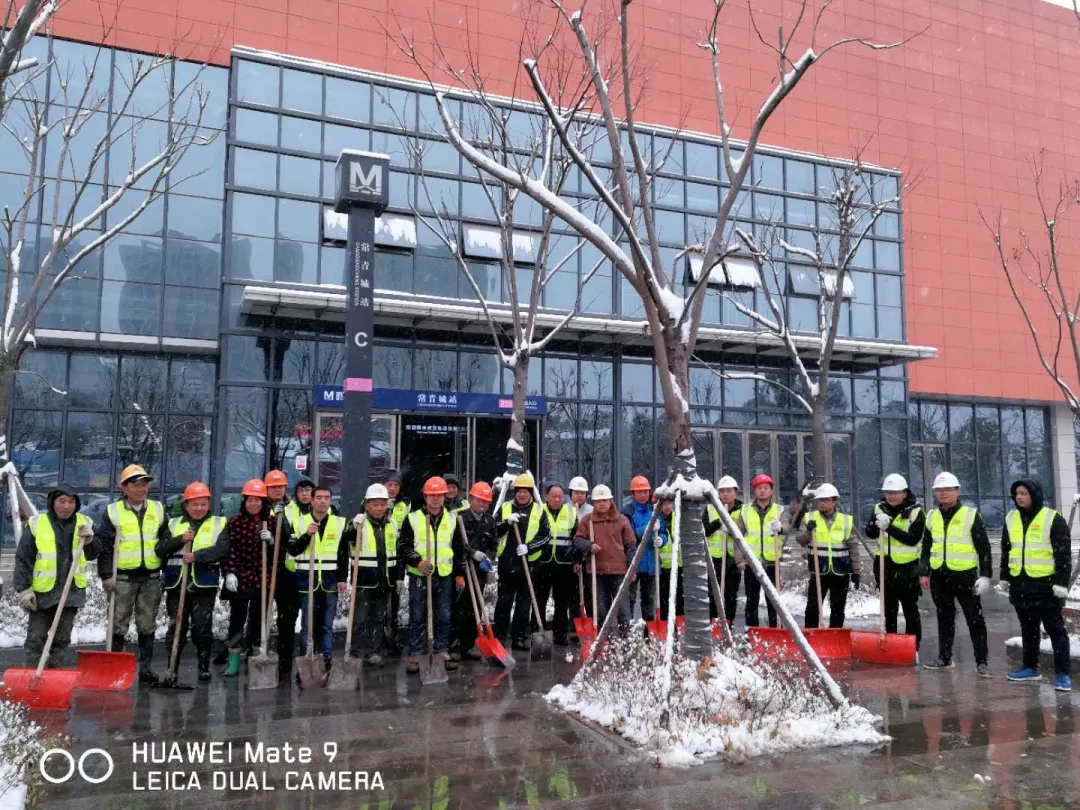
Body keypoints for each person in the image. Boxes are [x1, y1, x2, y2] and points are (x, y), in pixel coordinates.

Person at [95, 464, 168, 684]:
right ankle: (115, 667)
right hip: (123, 579)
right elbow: (105, 546)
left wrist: (167, 570)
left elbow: (165, 542)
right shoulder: (113, 512)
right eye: (135, 485)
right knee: (118, 623)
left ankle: (145, 669)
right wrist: (106, 575)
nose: (141, 489)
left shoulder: (158, 509)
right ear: (124, 488)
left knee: (147, 623)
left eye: (144, 484)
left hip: (150, 577)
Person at [14, 484, 100, 669]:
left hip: (71, 593)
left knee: (61, 639)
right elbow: (23, 559)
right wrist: (24, 590)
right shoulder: (37, 523)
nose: (67, 506)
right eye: (62, 501)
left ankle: (54, 676)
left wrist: (91, 541)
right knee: (36, 638)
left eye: (71, 501)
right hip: (42, 594)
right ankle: (32, 675)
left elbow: (93, 554)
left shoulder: (85, 523)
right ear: (52, 502)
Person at [919, 471, 993, 677]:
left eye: (948, 489)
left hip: (965, 575)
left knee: (974, 618)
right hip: (939, 576)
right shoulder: (931, 516)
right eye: (939, 490)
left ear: (957, 491)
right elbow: (926, 546)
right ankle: (944, 658)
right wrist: (924, 571)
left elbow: (984, 547)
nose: (943, 493)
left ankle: (982, 662)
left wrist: (985, 575)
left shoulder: (971, 515)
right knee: (944, 618)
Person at [1001, 479, 1072, 691]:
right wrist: (1004, 576)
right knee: (1028, 628)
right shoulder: (1011, 518)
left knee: (1055, 629)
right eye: (1017, 494)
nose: (1019, 497)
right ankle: (1030, 668)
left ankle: (1062, 674)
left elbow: (1063, 554)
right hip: (1021, 583)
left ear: (1034, 494)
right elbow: (1007, 550)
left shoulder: (1052, 518)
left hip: (1046, 585)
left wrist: (1061, 582)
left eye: (1024, 493)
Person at [155, 482, 227, 682]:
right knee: (176, 627)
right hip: (177, 583)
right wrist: (180, 539)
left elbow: (222, 549)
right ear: (186, 505)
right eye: (194, 504)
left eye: (203, 504)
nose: (199, 508)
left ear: (208, 504)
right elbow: (160, 549)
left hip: (204, 583)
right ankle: (172, 669)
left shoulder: (219, 523)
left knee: (202, 627)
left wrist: (197, 556)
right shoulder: (173, 524)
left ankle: (203, 667)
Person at [398, 477, 465, 674]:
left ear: (444, 496)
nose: (436, 499)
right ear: (425, 496)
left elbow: (458, 550)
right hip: (419, 574)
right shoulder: (413, 518)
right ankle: (415, 653)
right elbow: (403, 546)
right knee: (418, 614)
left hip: (444, 574)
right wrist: (417, 561)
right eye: (432, 495)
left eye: (439, 495)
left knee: (443, 615)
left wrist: (459, 574)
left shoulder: (452, 519)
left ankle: (441, 651)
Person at [290, 484, 352, 678]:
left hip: (330, 580)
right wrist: (306, 535)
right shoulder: (299, 522)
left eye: (326, 498)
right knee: (307, 626)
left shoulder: (339, 523)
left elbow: (343, 553)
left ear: (330, 501)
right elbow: (293, 550)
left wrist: (343, 578)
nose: (323, 501)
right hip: (306, 580)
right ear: (312, 500)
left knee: (326, 625)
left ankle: (326, 662)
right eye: (319, 497)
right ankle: (306, 662)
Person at [219, 479, 274, 678]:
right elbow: (229, 550)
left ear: (263, 502)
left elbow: (279, 553)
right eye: (250, 500)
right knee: (237, 619)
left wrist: (272, 541)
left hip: (262, 578)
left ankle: (255, 653)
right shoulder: (235, 522)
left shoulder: (271, 522)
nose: (253, 504)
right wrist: (230, 572)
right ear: (244, 501)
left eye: (257, 500)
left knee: (258, 620)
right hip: (241, 578)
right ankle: (233, 660)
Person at [865, 474, 925, 651]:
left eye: (895, 493)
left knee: (910, 609)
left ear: (904, 493)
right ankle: (891, 645)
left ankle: (912, 647)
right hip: (884, 566)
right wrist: (876, 525)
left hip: (908, 568)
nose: (891, 496)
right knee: (889, 609)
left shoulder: (915, 511)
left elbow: (912, 539)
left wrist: (889, 527)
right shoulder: (879, 508)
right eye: (888, 492)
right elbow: (870, 533)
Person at [494, 472, 551, 652]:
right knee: (503, 603)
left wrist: (529, 547)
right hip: (507, 564)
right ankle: (500, 637)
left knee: (524, 604)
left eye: (525, 491)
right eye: (519, 491)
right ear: (515, 492)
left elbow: (546, 535)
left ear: (530, 493)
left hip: (529, 565)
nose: (522, 494)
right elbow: (492, 530)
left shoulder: (539, 510)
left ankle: (519, 637)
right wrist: (506, 523)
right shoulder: (505, 508)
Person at [795, 483, 860, 628]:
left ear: (835, 501)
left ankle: (834, 636)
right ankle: (810, 636)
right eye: (820, 500)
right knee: (813, 607)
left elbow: (853, 547)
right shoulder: (809, 518)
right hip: (819, 571)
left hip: (841, 571)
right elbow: (800, 540)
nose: (822, 503)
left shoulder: (845, 520)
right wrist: (808, 531)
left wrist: (856, 571)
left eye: (826, 500)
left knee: (838, 609)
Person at [347, 484, 398, 668]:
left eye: (382, 504)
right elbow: (348, 538)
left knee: (378, 618)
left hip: (385, 580)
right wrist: (353, 527)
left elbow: (396, 551)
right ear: (366, 505)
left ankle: (373, 652)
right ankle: (354, 652)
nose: (378, 508)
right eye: (374, 504)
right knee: (360, 619)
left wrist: (398, 577)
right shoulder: (359, 523)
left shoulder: (392, 524)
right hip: (364, 581)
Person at [573, 485, 635, 630]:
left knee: (622, 610)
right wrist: (589, 546)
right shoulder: (587, 521)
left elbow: (631, 545)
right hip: (597, 572)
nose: (602, 503)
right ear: (594, 503)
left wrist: (632, 569)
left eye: (605, 500)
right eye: (598, 501)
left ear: (610, 501)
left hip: (619, 572)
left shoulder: (622, 520)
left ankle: (624, 637)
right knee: (600, 610)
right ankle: (603, 638)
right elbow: (578, 540)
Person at [736, 473, 790, 628]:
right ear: (754, 490)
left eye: (766, 488)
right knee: (752, 600)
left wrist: (780, 528)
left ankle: (775, 629)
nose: (763, 491)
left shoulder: (779, 510)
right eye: (759, 488)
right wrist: (740, 559)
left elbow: (787, 527)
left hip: (772, 561)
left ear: (771, 490)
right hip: (752, 562)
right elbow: (737, 536)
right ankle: (752, 630)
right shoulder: (745, 510)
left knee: (773, 599)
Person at [263, 472, 302, 683]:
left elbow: (292, 539)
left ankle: (284, 660)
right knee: (261, 615)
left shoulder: (293, 508)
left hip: (286, 569)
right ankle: (259, 652)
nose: (277, 490)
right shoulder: (260, 506)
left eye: (281, 487)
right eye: (273, 487)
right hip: (265, 568)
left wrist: (283, 522)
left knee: (287, 618)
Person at [455, 482, 499, 660]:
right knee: (460, 608)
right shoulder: (460, 518)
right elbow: (456, 545)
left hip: (479, 571)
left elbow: (494, 544)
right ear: (471, 498)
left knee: (475, 609)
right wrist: (472, 553)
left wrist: (488, 557)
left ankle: (469, 644)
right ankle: (455, 645)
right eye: (479, 500)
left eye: (485, 501)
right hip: (462, 569)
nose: (482, 504)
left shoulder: (490, 521)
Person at [535, 484, 579, 647]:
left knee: (562, 602)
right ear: (546, 497)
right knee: (539, 600)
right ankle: (537, 633)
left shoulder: (571, 512)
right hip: (543, 563)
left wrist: (577, 560)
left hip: (564, 564)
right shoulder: (539, 511)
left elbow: (577, 538)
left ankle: (560, 635)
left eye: (560, 496)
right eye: (554, 496)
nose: (557, 499)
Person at [702, 476, 744, 625]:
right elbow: (703, 531)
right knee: (713, 594)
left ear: (735, 492)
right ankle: (714, 624)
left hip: (733, 560)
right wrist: (718, 522)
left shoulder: (743, 510)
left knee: (730, 595)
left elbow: (745, 533)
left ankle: (728, 624)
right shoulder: (710, 509)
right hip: (715, 560)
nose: (725, 494)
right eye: (722, 491)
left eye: (729, 491)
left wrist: (732, 529)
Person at [383, 469, 409, 656]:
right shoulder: (371, 501)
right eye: (389, 484)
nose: (392, 488)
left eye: (396, 485)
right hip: (379, 557)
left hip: (397, 557)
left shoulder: (405, 504)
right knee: (378, 604)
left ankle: (393, 638)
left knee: (394, 602)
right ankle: (377, 640)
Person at [622, 475, 654, 620]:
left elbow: (661, 530)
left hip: (650, 563)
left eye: (646, 491)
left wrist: (662, 539)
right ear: (633, 493)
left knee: (649, 600)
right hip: (633, 562)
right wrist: (646, 529)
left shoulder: (653, 509)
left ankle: (649, 630)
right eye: (639, 492)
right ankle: (627, 628)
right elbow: (629, 536)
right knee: (630, 598)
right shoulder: (627, 512)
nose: (643, 495)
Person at [654, 494, 682, 620]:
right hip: (662, 566)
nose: (667, 507)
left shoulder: (678, 518)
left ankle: (679, 623)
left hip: (678, 564)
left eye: (669, 503)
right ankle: (665, 622)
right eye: (664, 504)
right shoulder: (656, 520)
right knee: (663, 597)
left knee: (679, 597)